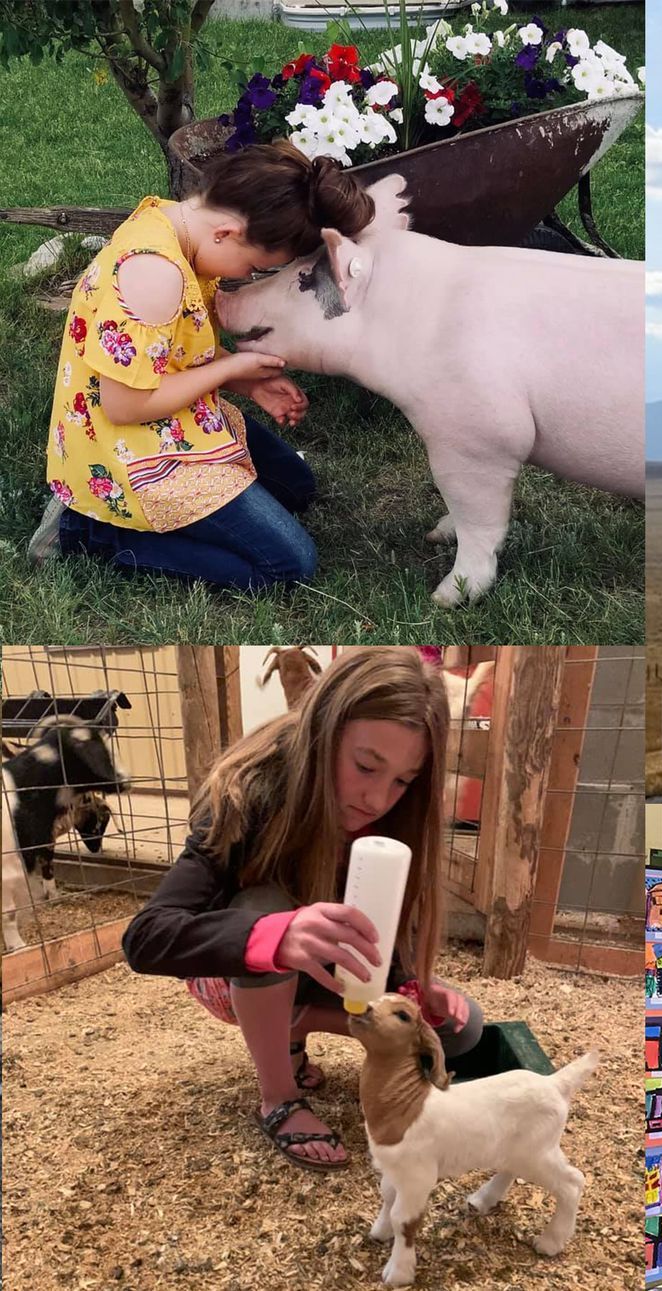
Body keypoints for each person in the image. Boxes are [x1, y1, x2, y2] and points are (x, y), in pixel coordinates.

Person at [123, 649, 482, 1171]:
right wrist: (274, 935)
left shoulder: (394, 815)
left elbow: (380, 925)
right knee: (263, 905)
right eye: (365, 765)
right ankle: (278, 1095)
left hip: (322, 971)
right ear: (324, 731)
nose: (379, 796)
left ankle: (297, 1019)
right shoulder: (248, 791)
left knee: (461, 1031)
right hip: (233, 975)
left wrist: (411, 986)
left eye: (403, 780)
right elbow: (147, 937)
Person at [33, 140, 373, 590]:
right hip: (125, 448)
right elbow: (124, 405)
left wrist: (250, 385)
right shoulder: (155, 275)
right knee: (289, 565)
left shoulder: (178, 222)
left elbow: (170, 352)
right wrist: (232, 371)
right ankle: (89, 530)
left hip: (171, 416)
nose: (245, 278)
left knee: (297, 489)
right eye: (253, 267)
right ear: (227, 232)